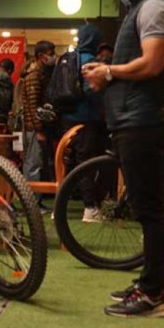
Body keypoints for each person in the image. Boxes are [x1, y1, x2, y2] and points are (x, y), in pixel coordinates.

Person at [82, 0, 164, 318]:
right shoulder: (143, 2)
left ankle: (153, 295)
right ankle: (150, 283)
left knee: (150, 209)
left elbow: (152, 63)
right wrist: (107, 71)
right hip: (132, 119)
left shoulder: (156, 6)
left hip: (141, 121)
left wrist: (108, 71)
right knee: (147, 206)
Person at [60, 25, 109, 222]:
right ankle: (90, 207)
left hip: (67, 119)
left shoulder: (67, 58)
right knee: (87, 163)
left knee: (67, 163)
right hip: (87, 119)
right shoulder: (90, 61)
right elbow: (93, 91)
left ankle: (60, 206)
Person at [20, 40, 56, 205]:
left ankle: (35, 200)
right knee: (33, 163)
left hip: (35, 126)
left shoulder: (39, 74)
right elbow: (33, 106)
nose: (53, 57)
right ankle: (32, 202)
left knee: (36, 163)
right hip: (33, 127)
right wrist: (39, 129)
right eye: (51, 53)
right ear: (41, 56)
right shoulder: (34, 76)